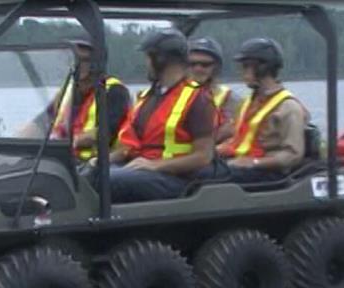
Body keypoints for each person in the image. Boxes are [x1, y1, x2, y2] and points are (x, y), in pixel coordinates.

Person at [107, 28, 215, 203]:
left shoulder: (197, 99)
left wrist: (154, 166)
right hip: (144, 168)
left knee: (109, 182)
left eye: (148, 57)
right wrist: (100, 162)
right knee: (88, 175)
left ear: (161, 59)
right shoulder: (149, 97)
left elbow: (203, 157)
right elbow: (129, 144)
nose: (146, 63)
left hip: (178, 178)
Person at [19, 36, 131, 164]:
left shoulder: (114, 90)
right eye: (73, 59)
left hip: (95, 165)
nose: (77, 64)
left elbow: (105, 132)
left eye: (84, 60)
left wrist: (66, 143)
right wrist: (18, 141)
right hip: (63, 159)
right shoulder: (67, 91)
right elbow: (41, 122)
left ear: (97, 63)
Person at [217, 38, 308, 183]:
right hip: (240, 165)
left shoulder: (288, 107)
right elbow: (239, 140)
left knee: (211, 177)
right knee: (200, 170)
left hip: (268, 173)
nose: (242, 72)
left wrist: (254, 163)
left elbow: (292, 154)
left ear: (263, 67)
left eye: (246, 66)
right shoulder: (249, 102)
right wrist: (212, 152)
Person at [188, 37, 240, 143]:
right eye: (192, 64)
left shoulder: (230, 99)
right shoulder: (172, 96)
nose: (198, 69)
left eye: (205, 64)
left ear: (216, 67)